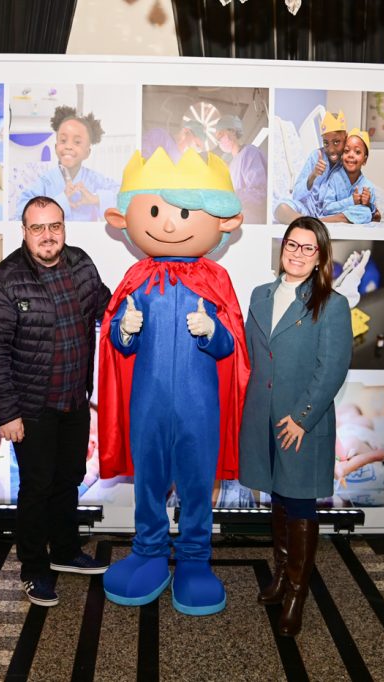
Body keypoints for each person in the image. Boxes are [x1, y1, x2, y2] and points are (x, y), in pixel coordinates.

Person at [100, 147, 249, 616]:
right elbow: (117, 347)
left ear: (223, 221)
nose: (168, 224)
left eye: (183, 212)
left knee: (197, 482)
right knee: (148, 480)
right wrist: (124, 331)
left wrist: (213, 332)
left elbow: (232, 348)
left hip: (199, 405)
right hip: (147, 401)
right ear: (124, 219)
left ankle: (194, 560)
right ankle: (147, 553)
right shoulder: (137, 278)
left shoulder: (215, 279)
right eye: (156, 211)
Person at [0, 195, 112, 607]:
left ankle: (66, 551)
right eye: (38, 228)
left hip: (74, 400)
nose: (48, 235)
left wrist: (134, 309)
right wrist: (6, 414)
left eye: (55, 226)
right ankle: (34, 569)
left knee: (69, 479)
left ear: (63, 228)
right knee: (36, 487)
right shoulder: (4, 280)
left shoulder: (81, 263)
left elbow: (105, 305)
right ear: (24, 232)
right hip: (31, 408)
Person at [238, 216, 352, 636]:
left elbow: (332, 369)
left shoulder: (332, 304)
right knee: (278, 498)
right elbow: (253, 356)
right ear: (282, 247)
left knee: (300, 504)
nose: (298, 253)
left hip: (301, 422)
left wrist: (303, 418)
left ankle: (297, 595)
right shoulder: (260, 294)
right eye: (292, 244)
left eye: (308, 248)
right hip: (262, 417)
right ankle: (281, 576)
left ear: (320, 256)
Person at [14, 106, 120, 222]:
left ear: (87, 152)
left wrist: (95, 199)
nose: (68, 146)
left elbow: (125, 198)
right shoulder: (46, 182)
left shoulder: (94, 179)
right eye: (63, 140)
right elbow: (21, 212)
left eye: (77, 142)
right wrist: (59, 202)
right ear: (56, 148)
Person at [273, 111, 354, 224]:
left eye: (336, 142)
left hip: (331, 214)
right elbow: (296, 195)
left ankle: (309, 223)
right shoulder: (315, 156)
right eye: (326, 143)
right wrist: (313, 175)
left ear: (346, 138)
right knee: (280, 208)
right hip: (307, 210)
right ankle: (309, 222)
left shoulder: (350, 162)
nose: (331, 149)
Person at [214, 114, 268, 224]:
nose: (219, 140)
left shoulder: (249, 153)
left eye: (220, 134)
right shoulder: (232, 165)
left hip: (253, 221)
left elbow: (260, 193)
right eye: (217, 138)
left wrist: (231, 197)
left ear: (233, 131)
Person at [321, 128, 381, 224]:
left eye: (357, 152)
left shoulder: (368, 187)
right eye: (346, 151)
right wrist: (351, 201)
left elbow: (373, 213)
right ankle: (325, 220)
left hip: (353, 214)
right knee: (366, 214)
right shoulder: (335, 178)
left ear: (365, 160)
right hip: (331, 215)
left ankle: (340, 218)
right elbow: (326, 208)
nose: (351, 155)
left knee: (366, 212)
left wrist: (368, 204)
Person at [141, 118, 207, 163]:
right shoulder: (160, 136)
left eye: (199, 148)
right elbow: (142, 157)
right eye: (197, 145)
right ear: (185, 131)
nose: (196, 150)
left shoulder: (185, 162)